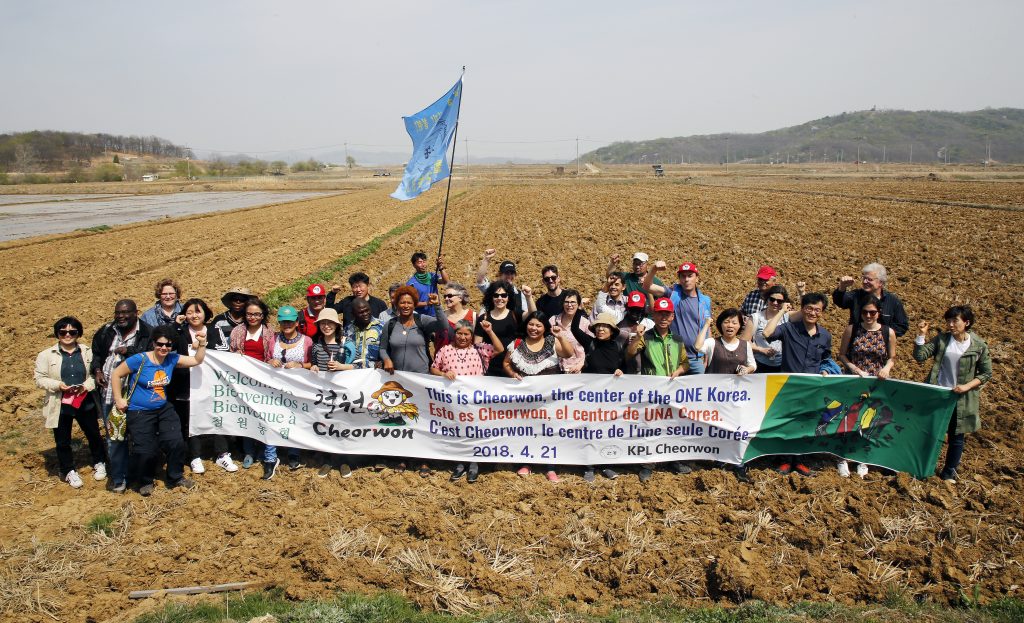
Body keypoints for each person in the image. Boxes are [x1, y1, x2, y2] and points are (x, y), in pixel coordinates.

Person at [110, 325, 207, 496]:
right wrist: (118, 399)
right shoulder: (139, 360)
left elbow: (196, 360)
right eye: (160, 344)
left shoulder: (172, 359)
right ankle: (145, 480)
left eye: (168, 345)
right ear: (153, 343)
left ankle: (175, 476)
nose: (164, 348)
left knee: (176, 442)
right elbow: (117, 374)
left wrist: (202, 344)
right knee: (145, 450)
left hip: (163, 409)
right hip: (139, 411)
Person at [913, 306, 992, 483]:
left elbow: (986, 373)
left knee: (956, 437)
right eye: (948, 321)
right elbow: (920, 356)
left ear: (967, 322)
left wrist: (966, 386)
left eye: (955, 321)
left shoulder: (978, 346)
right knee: (931, 433)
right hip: (939, 394)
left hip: (961, 398)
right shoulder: (942, 340)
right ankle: (923, 468)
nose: (950, 324)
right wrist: (921, 335)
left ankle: (949, 473)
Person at [762, 292, 834, 477]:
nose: (812, 313)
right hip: (789, 386)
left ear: (822, 312)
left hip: (812, 388)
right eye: (809, 308)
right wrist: (782, 312)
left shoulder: (825, 336)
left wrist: (826, 370)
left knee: (806, 423)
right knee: (788, 422)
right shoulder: (789, 329)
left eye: (817, 310)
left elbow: (826, 358)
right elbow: (767, 333)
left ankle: (800, 459)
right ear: (802, 309)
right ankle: (785, 460)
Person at [35, 316, 106, 489]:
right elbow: (39, 378)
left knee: (93, 434)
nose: (68, 335)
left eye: (72, 332)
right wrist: (58, 385)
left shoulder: (86, 351)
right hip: (60, 403)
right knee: (62, 440)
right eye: (63, 332)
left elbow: (93, 374)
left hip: (84, 400)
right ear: (57, 334)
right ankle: (68, 470)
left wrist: (86, 386)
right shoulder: (46, 355)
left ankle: (99, 461)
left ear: (78, 333)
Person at [380, 286, 445, 476]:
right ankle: (403, 457)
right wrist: (386, 359)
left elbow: (443, 326)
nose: (405, 305)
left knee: (421, 418)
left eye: (409, 302)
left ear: (414, 304)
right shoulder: (390, 324)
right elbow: (383, 347)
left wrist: (438, 306)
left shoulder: (422, 320)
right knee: (403, 419)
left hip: (421, 379)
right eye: (402, 302)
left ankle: (423, 460)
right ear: (396, 304)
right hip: (399, 381)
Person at [430, 319, 505, 484]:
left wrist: (489, 331)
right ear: (454, 334)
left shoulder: (480, 350)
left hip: (474, 402)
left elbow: (500, 349)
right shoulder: (446, 350)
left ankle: (474, 463)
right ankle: (459, 462)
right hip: (453, 402)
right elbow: (434, 367)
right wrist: (443, 374)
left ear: (471, 336)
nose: (462, 337)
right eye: (459, 333)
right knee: (458, 431)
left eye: (466, 334)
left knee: (474, 431)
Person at [504, 311, 574, 483]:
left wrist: (561, 337)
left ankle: (550, 467)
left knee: (548, 431)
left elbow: (568, 353)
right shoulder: (517, 343)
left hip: (549, 400)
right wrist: (512, 374)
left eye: (538, 325)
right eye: (531, 324)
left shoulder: (552, 342)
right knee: (526, 430)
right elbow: (506, 363)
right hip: (525, 400)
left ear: (544, 328)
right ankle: (527, 463)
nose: (533, 328)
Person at [91, 299, 152, 493]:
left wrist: (129, 351)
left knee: (139, 436)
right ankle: (119, 477)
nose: (121, 316)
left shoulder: (147, 332)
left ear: (136, 312)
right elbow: (97, 354)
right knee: (115, 436)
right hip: (110, 392)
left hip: (137, 393)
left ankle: (141, 476)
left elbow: (152, 355)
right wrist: (97, 370)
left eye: (125, 313)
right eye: (118, 313)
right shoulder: (106, 331)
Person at [171, 298, 237, 475]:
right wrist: (176, 327)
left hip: (213, 383)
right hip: (187, 384)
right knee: (191, 419)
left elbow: (223, 353)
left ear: (205, 313)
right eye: (190, 312)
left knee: (217, 416)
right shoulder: (181, 332)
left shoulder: (214, 330)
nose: (194, 315)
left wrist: (202, 346)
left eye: (198, 311)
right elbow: (171, 353)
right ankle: (194, 455)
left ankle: (222, 453)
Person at [626, 297, 689, 481]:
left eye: (667, 314)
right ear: (653, 315)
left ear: (672, 317)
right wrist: (637, 338)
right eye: (660, 313)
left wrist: (679, 371)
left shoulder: (677, 339)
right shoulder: (646, 337)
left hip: (672, 390)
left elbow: (685, 363)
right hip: (651, 391)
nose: (663, 317)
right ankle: (648, 464)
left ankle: (673, 460)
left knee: (672, 426)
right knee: (651, 426)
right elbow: (630, 354)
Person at [835, 297, 896, 478]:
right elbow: (842, 354)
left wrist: (886, 368)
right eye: (865, 312)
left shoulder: (888, 332)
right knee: (849, 417)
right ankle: (843, 458)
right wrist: (853, 368)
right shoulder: (852, 330)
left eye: (872, 312)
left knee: (868, 419)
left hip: (876, 382)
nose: (868, 316)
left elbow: (892, 357)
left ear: (879, 313)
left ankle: (862, 458)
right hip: (854, 380)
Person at [574, 312, 626, 482]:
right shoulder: (590, 343)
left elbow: (625, 367)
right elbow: (574, 328)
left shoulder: (618, 347)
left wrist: (621, 371)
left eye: (605, 326)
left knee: (606, 432)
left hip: (609, 398)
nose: (601, 329)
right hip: (589, 398)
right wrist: (580, 310)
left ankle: (606, 464)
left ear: (612, 330)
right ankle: (589, 467)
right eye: (598, 326)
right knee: (589, 430)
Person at [308, 307, 355, 478]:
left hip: (342, 394)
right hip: (323, 394)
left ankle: (344, 461)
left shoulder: (346, 345)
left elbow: (358, 367)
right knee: (325, 426)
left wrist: (342, 367)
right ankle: (327, 460)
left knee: (342, 426)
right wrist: (313, 367)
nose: (326, 326)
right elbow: (313, 364)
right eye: (323, 323)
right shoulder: (316, 346)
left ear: (336, 325)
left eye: (330, 323)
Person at [642, 260, 712, 374]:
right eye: (683, 276)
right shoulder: (672, 293)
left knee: (698, 391)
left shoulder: (705, 301)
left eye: (690, 276)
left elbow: (707, 327)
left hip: (696, 358)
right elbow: (647, 286)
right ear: (679, 279)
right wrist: (654, 269)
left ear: (697, 278)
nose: (687, 279)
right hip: (674, 356)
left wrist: (707, 356)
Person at [266, 305, 312, 475]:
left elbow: (311, 364)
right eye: (283, 322)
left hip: (297, 389)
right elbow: (266, 360)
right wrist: (271, 361)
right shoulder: (274, 340)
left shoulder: (306, 341)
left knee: (294, 420)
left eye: (290, 321)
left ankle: (294, 454)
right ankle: (270, 456)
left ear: (296, 322)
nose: (287, 324)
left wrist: (300, 365)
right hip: (275, 387)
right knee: (272, 418)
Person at [229, 297, 274, 469]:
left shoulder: (270, 332)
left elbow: (272, 354)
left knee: (264, 416)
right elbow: (231, 354)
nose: (252, 317)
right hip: (243, 381)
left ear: (263, 315)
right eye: (249, 314)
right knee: (247, 415)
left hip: (263, 380)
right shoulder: (237, 331)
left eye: (256, 314)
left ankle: (263, 448)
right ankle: (249, 451)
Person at [833, 263, 909, 337]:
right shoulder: (856, 295)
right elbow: (840, 301)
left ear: (880, 282)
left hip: (882, 346)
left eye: (869, 279)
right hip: (856, 343)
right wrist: (842, 287)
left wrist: (880, 334)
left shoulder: (893, 301)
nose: (865, 281)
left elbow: (901, 326)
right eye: (864, 278)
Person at [475, 280, 530, 377]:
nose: (500, 298)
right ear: (491, 297)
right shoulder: (483, 318)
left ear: (508, 298)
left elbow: (532, 314)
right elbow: (477, 346)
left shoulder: (515, 315)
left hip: (512, 368)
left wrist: (529, 297)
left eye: (504, 295)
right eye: (496, 295)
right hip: (490, 369)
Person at [742, 285, 790, 374]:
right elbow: (744, 341)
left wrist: (801, 293)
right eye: (772, 299)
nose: (775, 303)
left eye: (779, 301)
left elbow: (804, 313)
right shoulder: (756, 317)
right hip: (760, 364)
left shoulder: (787, 317)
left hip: (782, 365)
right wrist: (761, 350)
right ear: (767, 299)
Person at [476, 249, 529, 318]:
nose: (509, 276)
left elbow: (526, 314)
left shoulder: (520, 295)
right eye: (506, 273)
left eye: (512, 273)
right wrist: (486, 260)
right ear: (500, 274)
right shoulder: (492, 289)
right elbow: (480, 280)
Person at [549, 289, 589, 373]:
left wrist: (581, 364)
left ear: (578, 304)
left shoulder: (585, 323)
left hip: (577, 370)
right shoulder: (553, 321)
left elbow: (591, 348)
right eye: (566, 302)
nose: (569, 305)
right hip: (556, 369)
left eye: (573, 302)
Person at [344, 299, 384, 370]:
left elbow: (389, 350)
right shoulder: (347, 331)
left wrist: (383, 361)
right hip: (352, 374)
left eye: (367, 310)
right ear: (353, 314)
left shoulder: (381, 327)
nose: (365, 314)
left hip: (375, 374)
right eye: (361, 312)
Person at [406, 251, 448, 317]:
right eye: (420, 262)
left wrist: (441, 267)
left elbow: (446, 281)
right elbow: (410, 303)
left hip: (436, 314)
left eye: (424, 261)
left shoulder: (433, 276)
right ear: (414, 265)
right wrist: (426, 303)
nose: (423, 264)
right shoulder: (411, 283)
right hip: (421, 318)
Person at [437, 282, 476, 351]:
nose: (446, 299)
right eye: (445, 296)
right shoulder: (441, 316)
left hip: (466, 359)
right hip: (443, 360)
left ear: (460, 298)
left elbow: (476, 342)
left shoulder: (473, 316)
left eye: (449, 296)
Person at [209, 287, 251, 351]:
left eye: (242, 300)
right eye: (235, 299)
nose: (238, 301)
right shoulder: (219, 320)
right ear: (231, 301)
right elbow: (212, 341)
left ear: (247, 303)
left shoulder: (250, 321)